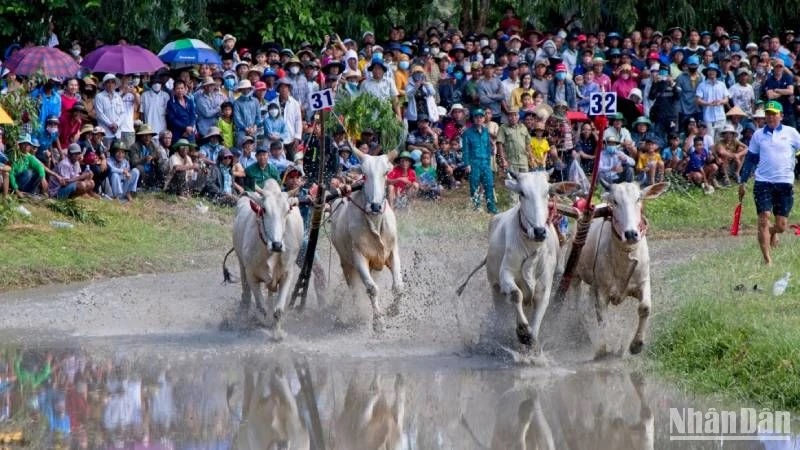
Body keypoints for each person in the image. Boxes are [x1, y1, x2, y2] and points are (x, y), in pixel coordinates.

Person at [738, 100, 800, 265]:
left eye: (774, 114)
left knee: (781, 226)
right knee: (764, 218)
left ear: (781, 116)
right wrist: (742, 182)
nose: (771, 117)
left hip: (785, 182)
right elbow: (751, 159)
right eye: (768, 114)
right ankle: (767, 260)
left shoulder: (792, 133)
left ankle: (772, 233)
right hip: (763, 182)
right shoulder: (758, 135)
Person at [461, 108, 497, 214]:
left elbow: (487, 146)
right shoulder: (467, 132)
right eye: (476, 117)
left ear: (484, 118)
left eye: (481, 117)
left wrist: (492, 150)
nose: (479, 119)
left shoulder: (486, 131)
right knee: (474, 186)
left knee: (489, 185)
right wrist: (467, 164)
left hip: (486, 162)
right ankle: (477, 207)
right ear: (473, 119)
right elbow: (465, 150)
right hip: (474, 162)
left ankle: (491, 208)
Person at [496, 107, 531, 174]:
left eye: (515, 115)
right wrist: (503, 160)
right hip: (511, 162)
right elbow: (499, 145)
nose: (513, 117)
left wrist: (531, 157)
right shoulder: (503, 128)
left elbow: (527, 143)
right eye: (511, 115)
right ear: (507, 116)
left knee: (525, 182)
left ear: (518, 116)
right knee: (511, 182)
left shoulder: (523, 127)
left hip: (523, 161)